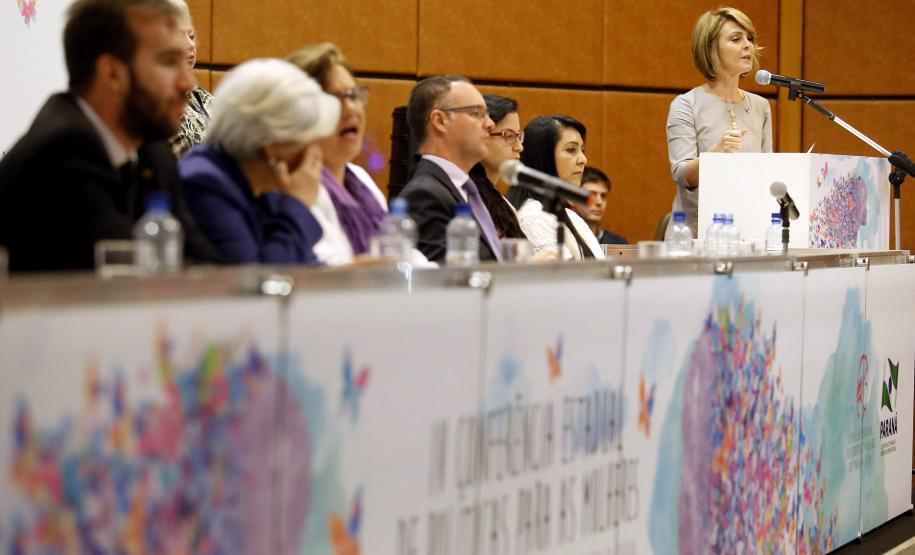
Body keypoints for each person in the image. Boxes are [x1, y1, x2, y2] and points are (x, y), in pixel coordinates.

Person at [0, 0, 220, 273]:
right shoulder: (63, 153)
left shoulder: (151, 148)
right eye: (168, 62)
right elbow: (123, 278)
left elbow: (205, 262)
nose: (188, 83)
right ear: (113, 74)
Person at [179, 59, 340, 264]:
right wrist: (298, 204)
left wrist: (351, 275)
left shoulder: (265, 186)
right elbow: (258, 277)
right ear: (272, 146)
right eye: (308, 143)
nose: (316, 155)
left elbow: (307, 265)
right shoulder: (203, 185)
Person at [667, 6, 772, 236]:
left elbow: (766, 170)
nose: (748, 45)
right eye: (736, 39)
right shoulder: (686, 104)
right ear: (710, 48)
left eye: (750, 38)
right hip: (694, 236)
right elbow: (682, 175)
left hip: (746, 233)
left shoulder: (761, 106)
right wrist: (715, 153)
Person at [286, 42, 388, 265]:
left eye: (353, 95)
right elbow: (315, 270)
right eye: (333, 99)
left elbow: (403, 252)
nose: (351, 108)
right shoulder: (294, 183)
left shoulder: (361, 180)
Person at [398, 75, 500, 263]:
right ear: (440, 120)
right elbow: (444, 278)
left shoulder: (467, 191)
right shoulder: (424, 195)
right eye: (477, 113)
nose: (490, 124)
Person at [507, 115, 604, 260]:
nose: (583, 159)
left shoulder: (570, 216)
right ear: (543, 155)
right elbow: (563, 273)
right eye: (571, 149)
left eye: (582, 150)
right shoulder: (533, 217)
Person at [468, 94, 527, 240]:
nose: (519, 147)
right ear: (481, 136)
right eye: (509, 136)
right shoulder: (466, 196)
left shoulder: (502, 202)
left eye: (519, 136)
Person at [169, 0, 212, 158]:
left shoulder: (202, 96)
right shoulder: (153, 106)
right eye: (180, 36)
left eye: (192, 36)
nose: (190, 45)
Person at [572, 166, 628, 245]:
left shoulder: (619, 243)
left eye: (603, 196)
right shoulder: (561, 239)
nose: (599, 202)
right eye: (591, 195)